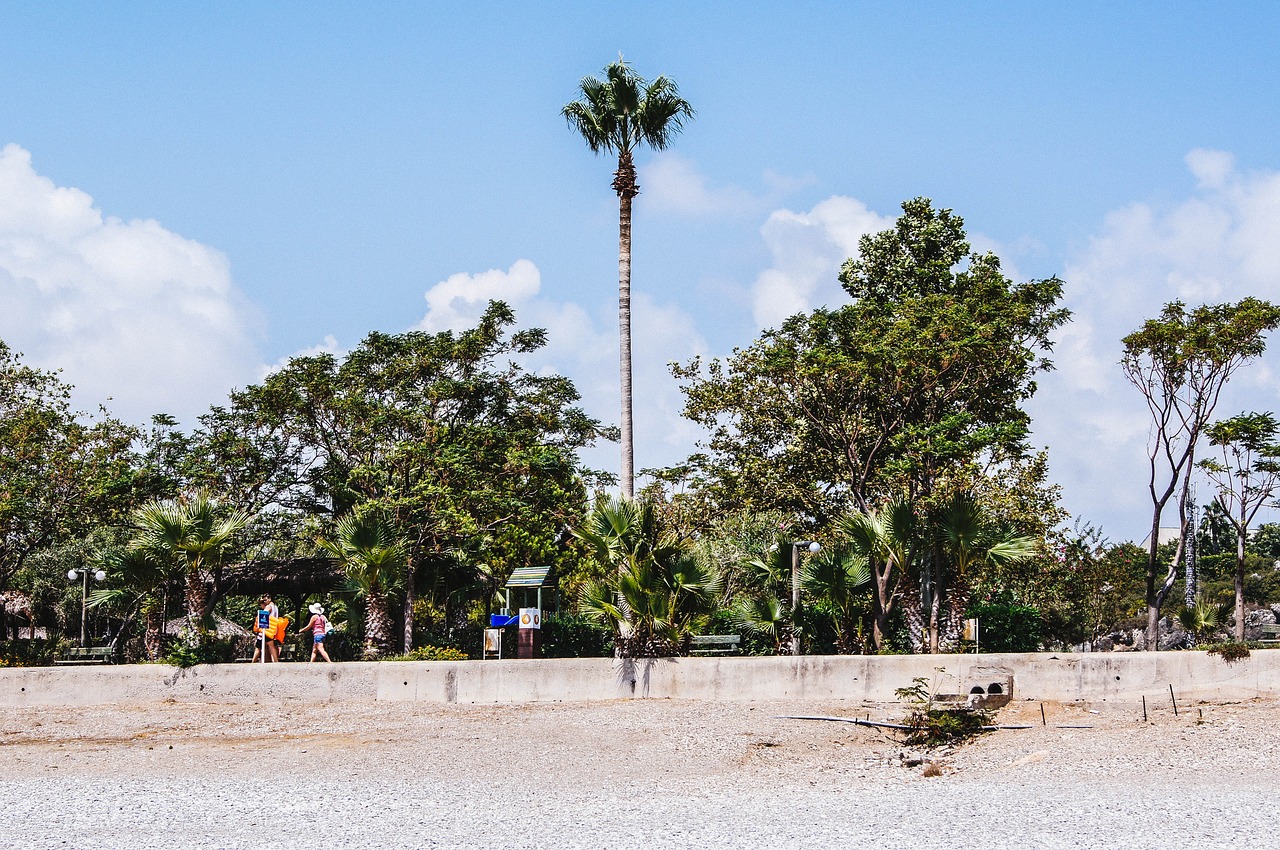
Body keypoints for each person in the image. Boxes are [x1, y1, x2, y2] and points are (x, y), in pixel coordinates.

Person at [251, 594, 280, 663]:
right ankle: (275, 661)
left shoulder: (269, 607)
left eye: (265, 600)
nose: (264, 602)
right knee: (270, 646)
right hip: (272, 629)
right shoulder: (275, 607)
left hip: (266, 629)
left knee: (258, 647)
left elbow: (263, 615)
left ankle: (253, 662)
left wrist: (259, 626)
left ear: (270, 599)